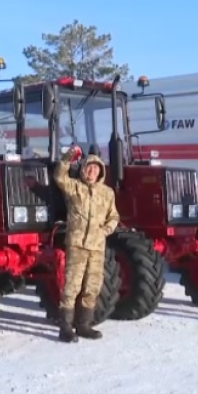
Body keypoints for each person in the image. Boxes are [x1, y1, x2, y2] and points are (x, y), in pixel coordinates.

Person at [52, 145, 120, 342]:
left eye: (96, 169)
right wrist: (68, 157)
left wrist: (105, 231)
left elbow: (114, 216)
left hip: (97, 247)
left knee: (93, 286)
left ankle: (84, 325)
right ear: (83, 170)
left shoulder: (107, 193)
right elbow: (59, 176)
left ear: (101, 172)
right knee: (72, 286)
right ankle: (65, 327)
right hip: (77, 245)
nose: (92, 171)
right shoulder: (74, 187)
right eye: (89, 168)